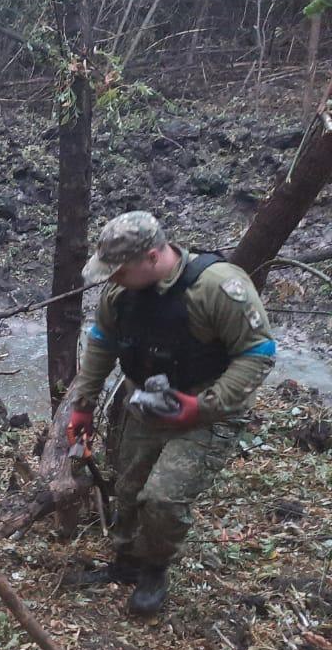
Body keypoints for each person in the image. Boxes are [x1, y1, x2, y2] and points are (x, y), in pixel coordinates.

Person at [67, 211, 276, 616]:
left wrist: (205, 405)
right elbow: (101, 344)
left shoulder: (216, 288)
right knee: (127, 490)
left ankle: (155, 569)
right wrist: (83, 408)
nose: (111, 279)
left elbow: (258, 354)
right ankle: (126, 561)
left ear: (151, 257)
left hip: (205, 409)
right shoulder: (120, 294)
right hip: (146, 402)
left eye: (119, 270)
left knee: (162, 498)